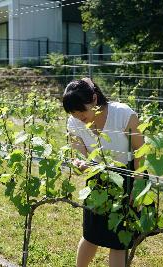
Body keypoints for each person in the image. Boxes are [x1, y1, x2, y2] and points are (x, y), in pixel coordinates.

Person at [63, 78, 144, 267]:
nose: (79, 117)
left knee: (119, 241)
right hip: (98, 177)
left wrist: (138, 186)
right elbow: (80, 155)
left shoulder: (123, 115)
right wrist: (80, 164)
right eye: (73, 113)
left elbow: (141, 151)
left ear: (94, 98)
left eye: (81, 111)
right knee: (91, 235)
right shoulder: (74, 122)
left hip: (129, 176)